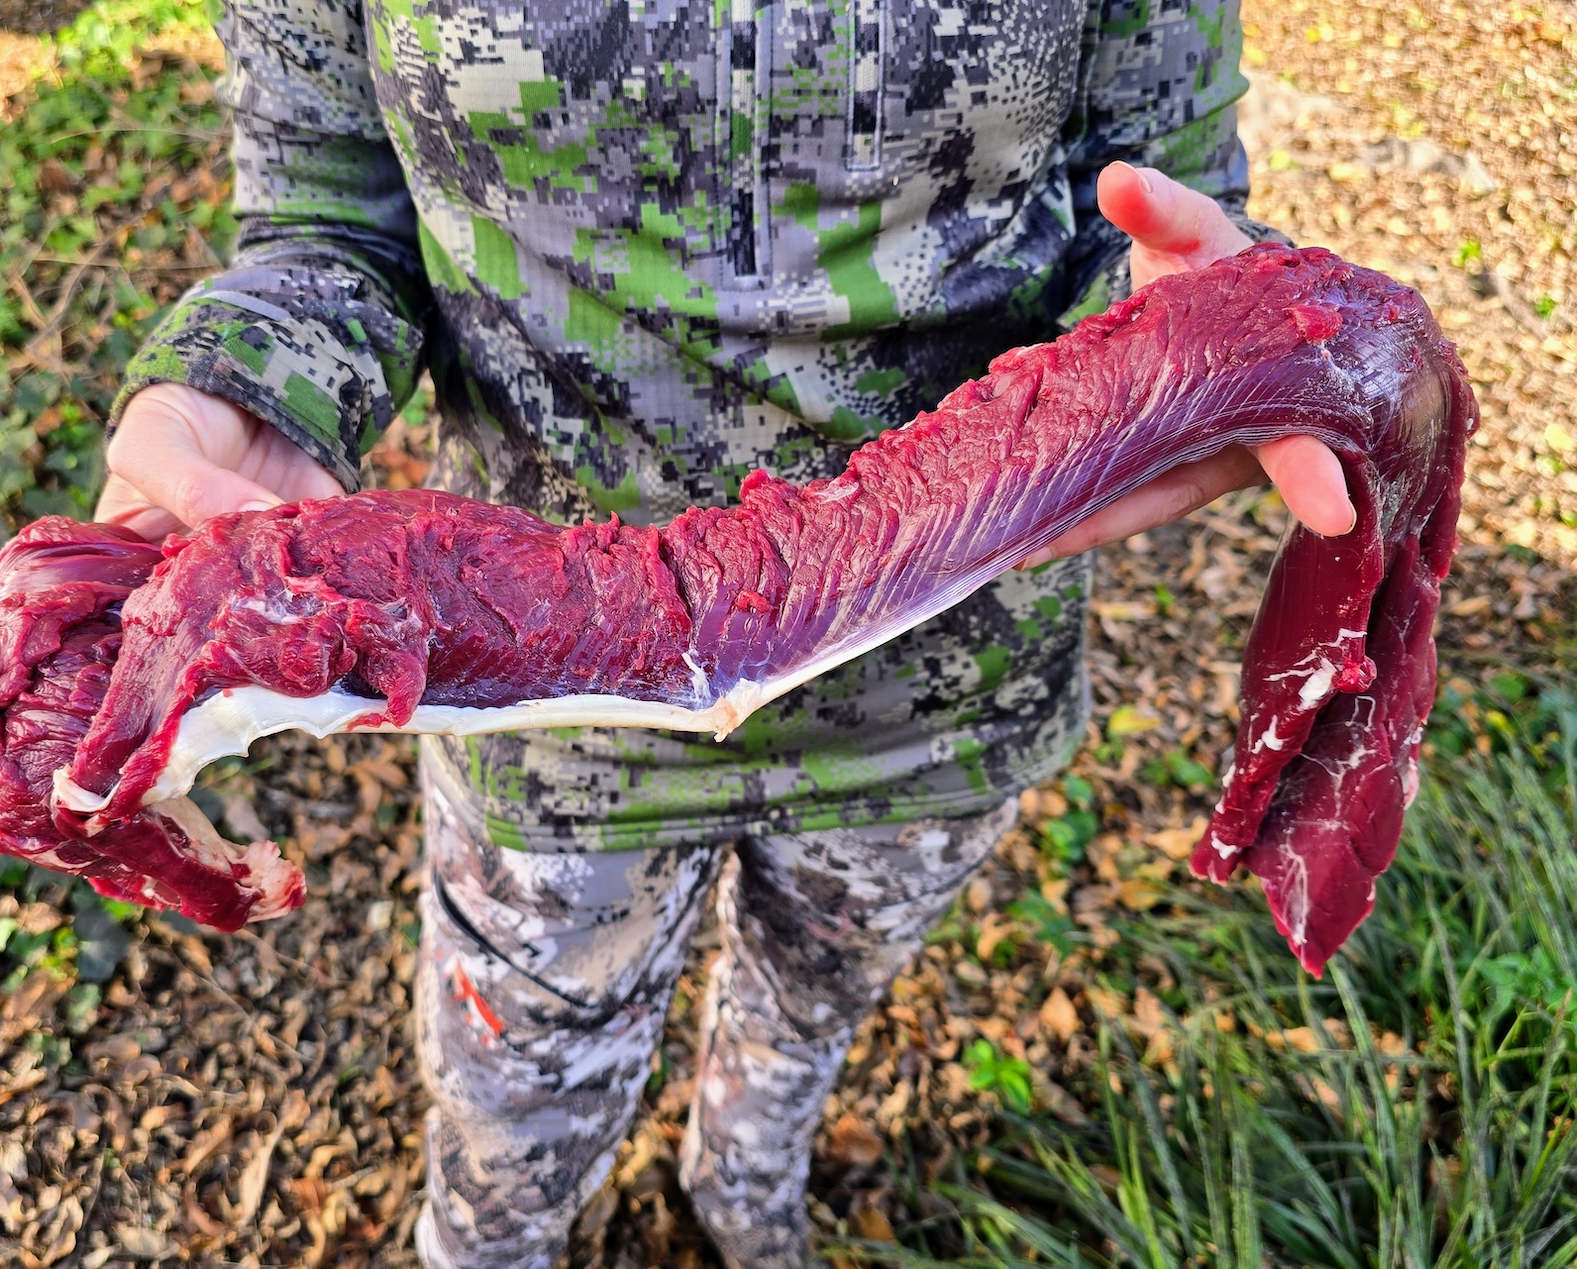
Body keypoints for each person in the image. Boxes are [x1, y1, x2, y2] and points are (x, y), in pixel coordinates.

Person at [96, 2, 1354, 1265]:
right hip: (549, 688)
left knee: (809, 1011)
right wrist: (250, 380)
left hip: (935, 669)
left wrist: (1188, 337)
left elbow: (1146, 191)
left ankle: (744, 1185)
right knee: (516, 1094)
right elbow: (330, 219)